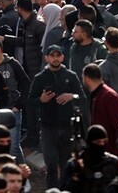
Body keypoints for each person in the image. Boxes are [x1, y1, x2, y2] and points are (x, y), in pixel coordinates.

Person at [28, 44, 88, 188]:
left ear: (63, 57)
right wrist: (41, 100)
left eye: (58, 55)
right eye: (52, 56)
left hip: (68, 127)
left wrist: (71, 96)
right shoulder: (40, 78)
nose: (55, 59)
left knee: (66, 165)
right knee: (52, 164)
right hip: (48, 128)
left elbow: (83, 98)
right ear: (46, 58)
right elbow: (30, 101)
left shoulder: (71, 76)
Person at [61, 125, 118, 192]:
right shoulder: (74, 164)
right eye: (98, 142)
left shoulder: (112, 162)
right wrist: (76, 176)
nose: (102, 145)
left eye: (104, 142)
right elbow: (65, 190)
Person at [82, 63, 118, 155]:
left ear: (87, 79)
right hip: (99, 152)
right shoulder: (96, 96)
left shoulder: (109, 97)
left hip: (109, 152)